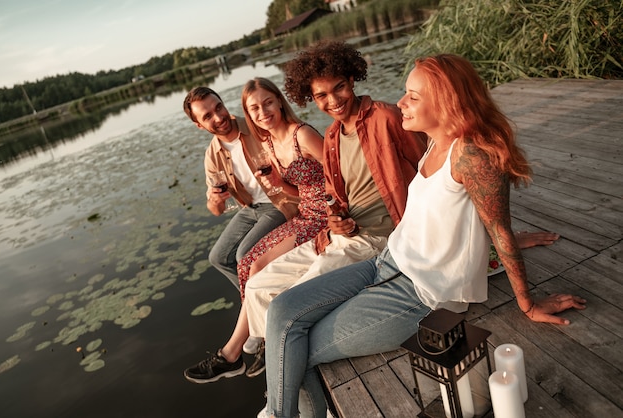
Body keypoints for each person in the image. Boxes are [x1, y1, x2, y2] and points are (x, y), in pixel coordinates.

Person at [260, 54, 587, 418]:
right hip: (384, 264)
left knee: (291, 351)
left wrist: (528, 304)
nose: (401, 102)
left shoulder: (471, 155)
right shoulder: (433, 142)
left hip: (420, 295)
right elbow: (454, 217)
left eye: (413, 96)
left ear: (447, 103)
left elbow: (499, 227)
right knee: (281, 310)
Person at [242, 40, 427, 359]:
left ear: (352, 80)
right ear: (310, 98)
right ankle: (274, 360)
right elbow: (335, 197)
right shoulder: (330, 137)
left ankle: (294, 366)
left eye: (338, 87)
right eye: (321, 95)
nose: (333, 100)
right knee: (258, 287)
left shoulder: (386, 117)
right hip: (339, 238)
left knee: (292, 303)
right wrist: (335, 218)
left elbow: (431, 171)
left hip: (378, 239)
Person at [183, 78, 327, 383]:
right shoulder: (212, 155)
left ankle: (254, 332)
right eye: (207, 116)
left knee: (245, 254)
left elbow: (294, 147)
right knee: (218, 257)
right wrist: (213, 199)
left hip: (281, 203)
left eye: (218, 107)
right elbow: (216, 210)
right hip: (251, 208)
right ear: (198, 124)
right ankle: (255, 316)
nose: (218, 117)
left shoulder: (256, 124)